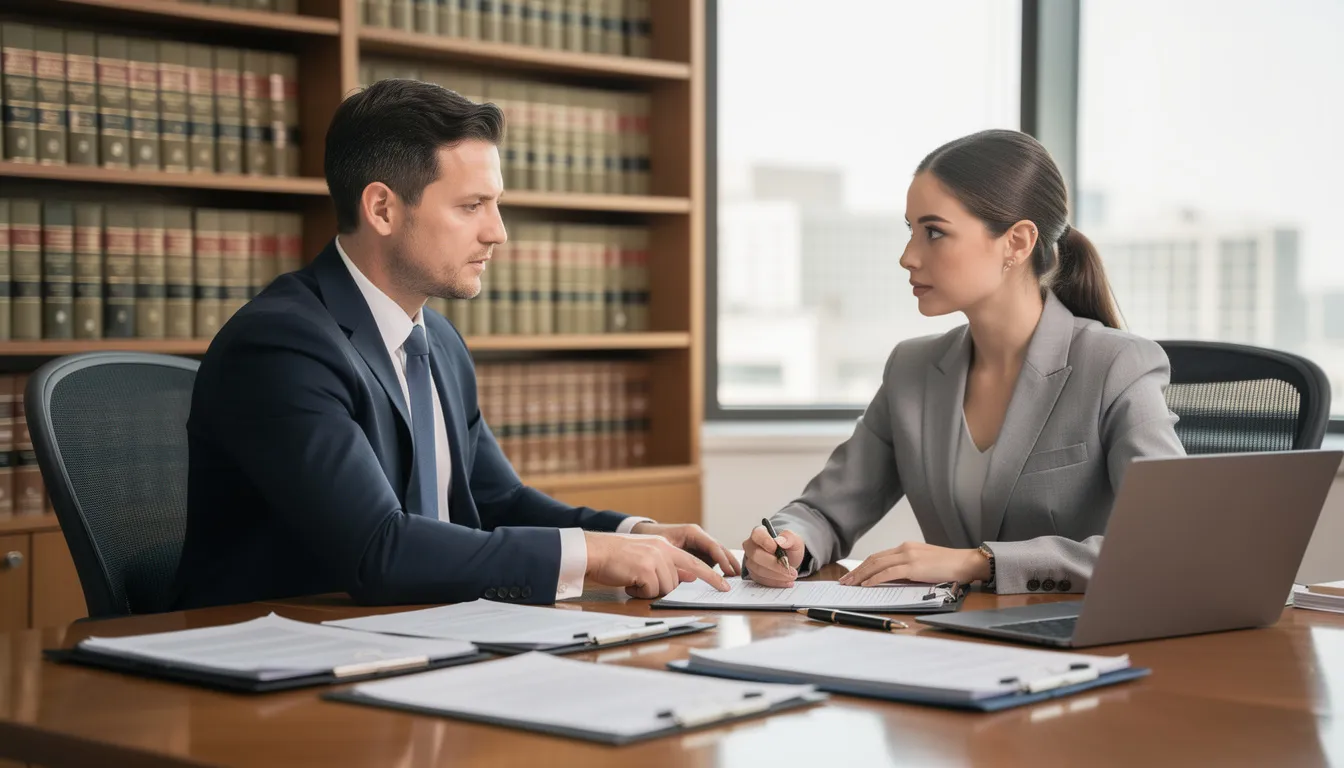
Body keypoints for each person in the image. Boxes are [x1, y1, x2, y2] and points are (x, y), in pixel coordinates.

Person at [171, 79, 738, 610]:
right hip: (285, 655)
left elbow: (497, 502)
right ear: (382, 209)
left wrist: (632, 533)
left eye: (495, 204)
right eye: (471, 206)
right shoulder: (280, 346)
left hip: (414, 639)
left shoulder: (436, 341)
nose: (498, 231)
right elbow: (378, 550)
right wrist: (593, 557)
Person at [742, 129, 1185, 594]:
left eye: (934, 232)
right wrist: (787, 541)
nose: (907, 256)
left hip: (1073, 631)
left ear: (1017, 242)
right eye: (911, 230)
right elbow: (826, 509)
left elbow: (1168, 539)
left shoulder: (1117, 366)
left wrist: (981, 563)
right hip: (948, 631)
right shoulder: (911, 369)